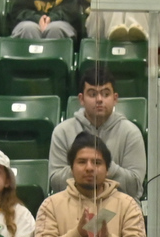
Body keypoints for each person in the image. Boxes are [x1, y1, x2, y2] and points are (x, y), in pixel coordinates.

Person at [47, 67, 147, 199]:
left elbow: (134, 187)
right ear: (81, 99)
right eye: (93, 94)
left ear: (115, 98)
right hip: (73, 204)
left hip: (116, 206)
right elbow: (56, 183)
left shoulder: (130, 132)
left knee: (105, 219)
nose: (99, 99)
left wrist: (103, 166)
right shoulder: (63, 131)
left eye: (106, 94)